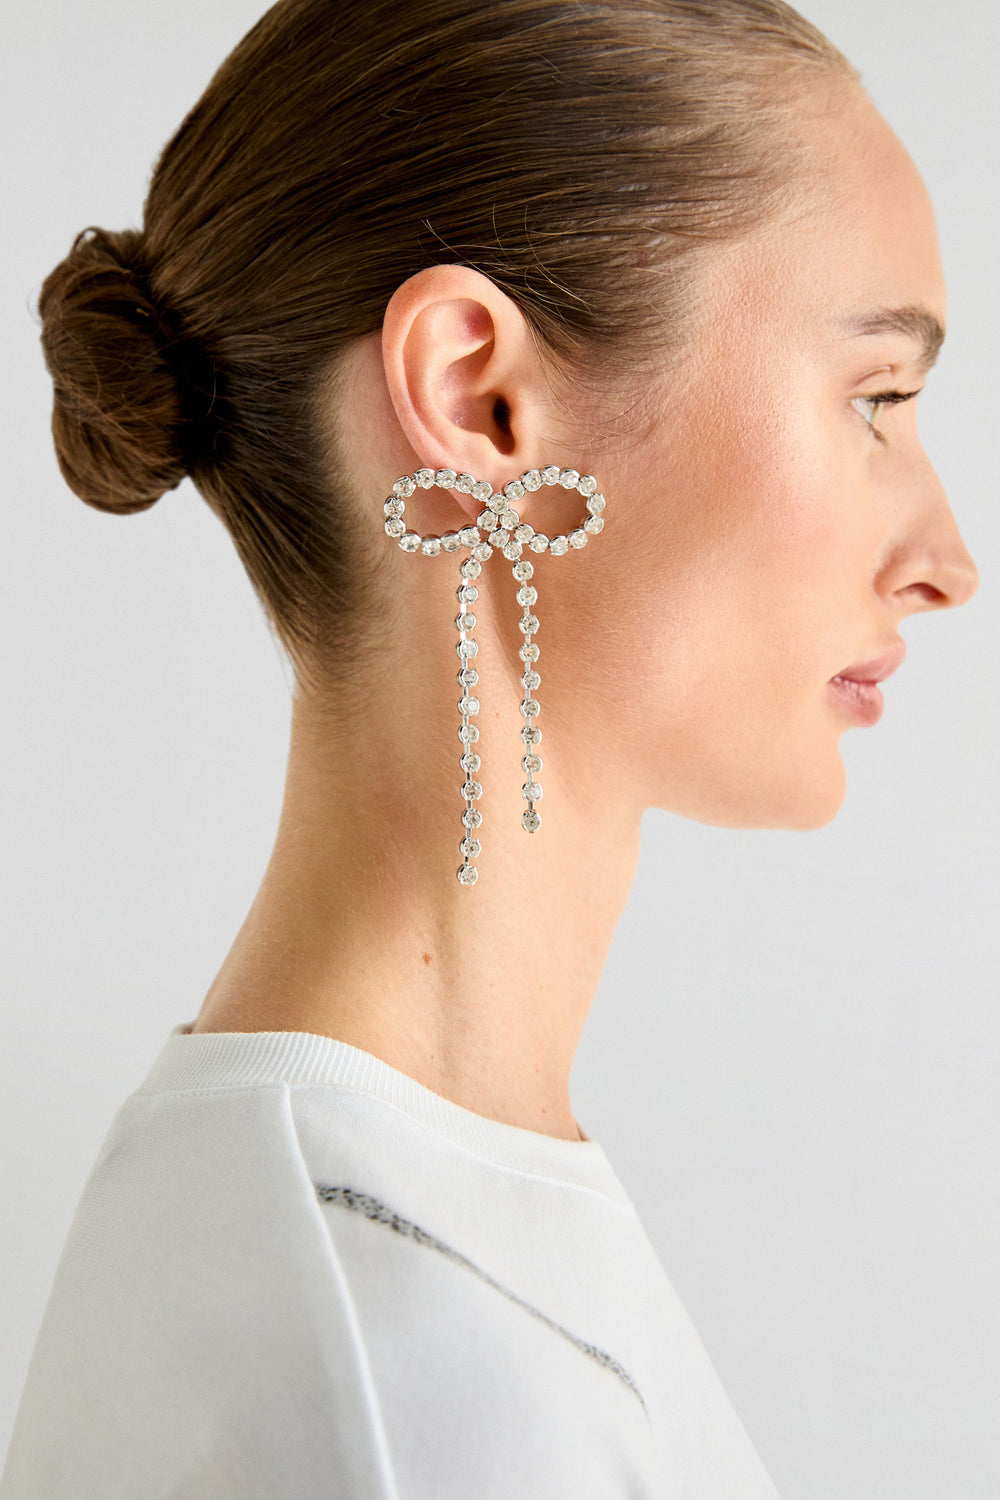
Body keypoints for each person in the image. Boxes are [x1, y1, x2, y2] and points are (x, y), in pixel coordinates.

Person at [1, 0, 980, 1495]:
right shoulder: (405, 1388)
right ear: (480, 395)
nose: (946, 564)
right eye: (877, 401)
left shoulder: (371, 1219)